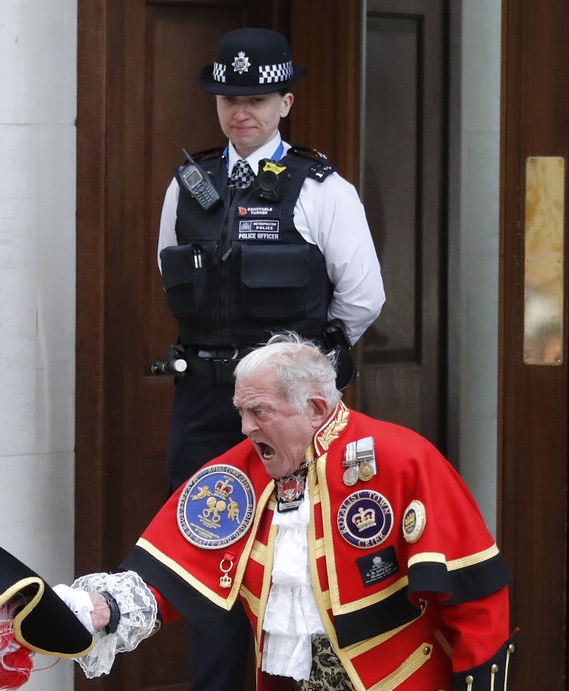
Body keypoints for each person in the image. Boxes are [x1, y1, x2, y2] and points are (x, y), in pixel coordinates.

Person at [59, 333, 515, 690]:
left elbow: (475, 597)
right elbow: (176, 567)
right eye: (241, 411)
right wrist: (100, 608)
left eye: (259, 411)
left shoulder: (403, 459)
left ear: (315, 408)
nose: (244, 427)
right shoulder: (239, 472)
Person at [154, 27, 385, 689]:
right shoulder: (187, 188)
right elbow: (169, 276)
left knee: (300, 562)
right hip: (204, 402)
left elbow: (362, 298)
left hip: (291, 410)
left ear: (286, 100)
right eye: (228, 96)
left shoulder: (322, 190)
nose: (240, 109)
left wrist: (300, 372)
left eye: (256, 95)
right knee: (207, 563)